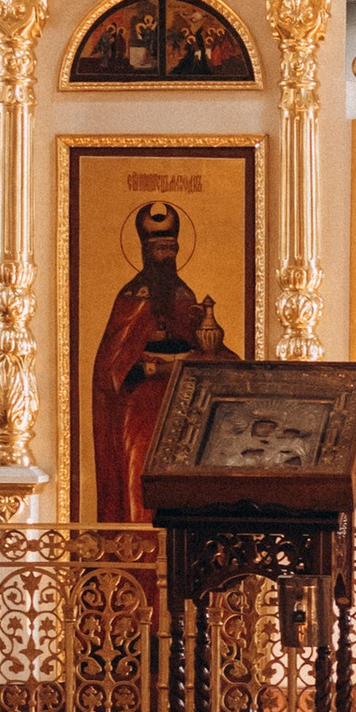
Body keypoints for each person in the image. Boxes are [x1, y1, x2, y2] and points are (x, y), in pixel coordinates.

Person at [90, 203, 225, 521]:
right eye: (159, 247)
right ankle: (140, 560)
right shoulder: (130, 298)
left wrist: (212, 351)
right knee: (140, 477)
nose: (166, 254)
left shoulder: (183, 295)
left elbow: (201, 346)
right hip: (139, 410)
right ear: (145, 251)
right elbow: (110, 365)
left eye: (170, 247)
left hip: (179, 408)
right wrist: (150, 367)